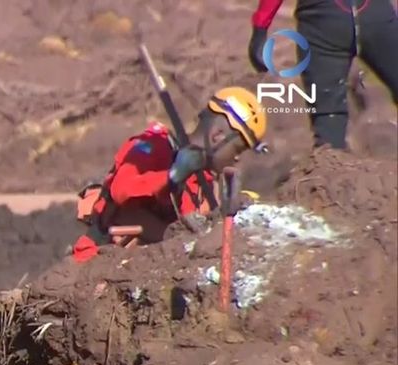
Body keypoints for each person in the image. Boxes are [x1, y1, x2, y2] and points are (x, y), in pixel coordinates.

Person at [72, 86, 269, 263]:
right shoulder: (153, 144)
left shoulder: (205, 186)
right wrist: (172, 176)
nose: (237, 159)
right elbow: (121, 189)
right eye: (238, 149)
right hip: (94, 262)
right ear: (217, 136)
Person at [248, 0, 397, 149]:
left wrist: (260, 27)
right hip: (375, 12)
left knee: (328, 118)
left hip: (322, 20)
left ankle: (332, 157)